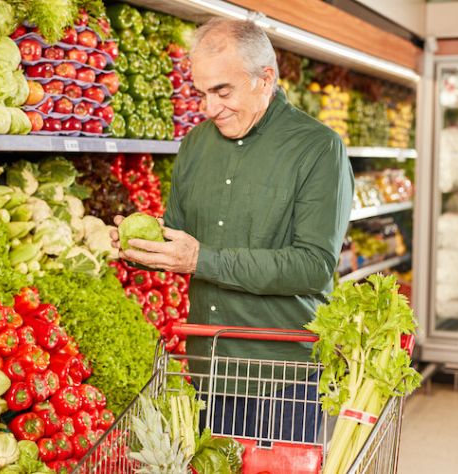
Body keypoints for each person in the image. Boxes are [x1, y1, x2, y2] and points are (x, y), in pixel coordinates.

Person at [111, 18, 354, 443]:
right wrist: (143, 249)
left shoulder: (318, 149)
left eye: (222, 91)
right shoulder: (195, 144)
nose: (209, 108)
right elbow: (181, 240)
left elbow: (314, 265)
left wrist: (203, 259)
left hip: (283, 378)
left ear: (265, 79)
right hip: (209, 368)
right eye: (201, 93)